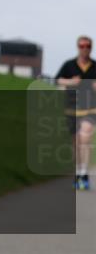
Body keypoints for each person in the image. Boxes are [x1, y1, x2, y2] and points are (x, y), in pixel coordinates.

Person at [54, 35, 95, 191]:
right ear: (78, 47)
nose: (85, 48)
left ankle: (84, 174)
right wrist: (70, 82)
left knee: (85, 137)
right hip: (72, 108)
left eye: (88, 46)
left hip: (91, 108)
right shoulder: (69, 65)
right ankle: (78, 172)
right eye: (82, 45)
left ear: (91, 47)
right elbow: (58, 80)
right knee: (76, 141)